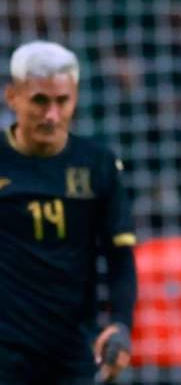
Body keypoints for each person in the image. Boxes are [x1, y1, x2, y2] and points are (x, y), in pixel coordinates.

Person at [0, 41, 137, 384]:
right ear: (12, 97)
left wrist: (121, 323)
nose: (52, 115)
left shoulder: (97, 164)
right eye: (40, 101)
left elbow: (120, 257)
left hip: (73, 348)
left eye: (62, 101)